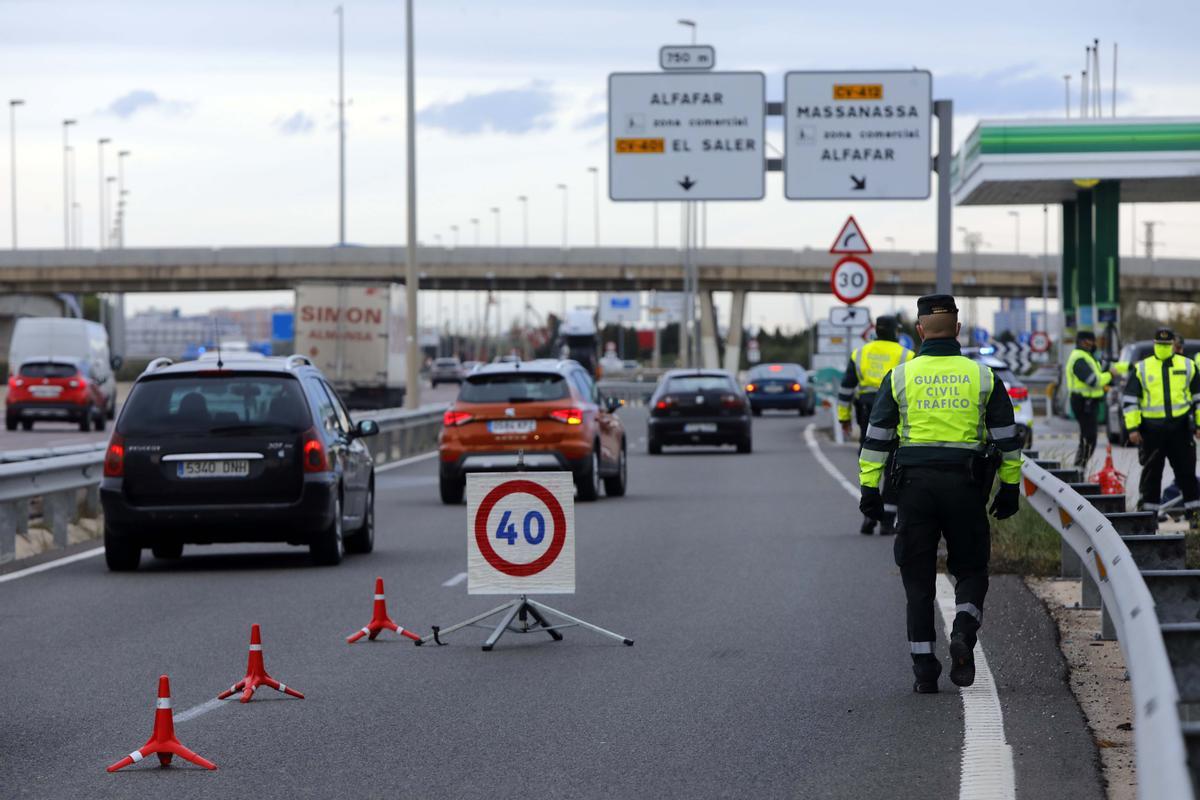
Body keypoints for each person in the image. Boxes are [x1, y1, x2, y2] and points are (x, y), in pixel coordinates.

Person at [858, 294, 1022, 694]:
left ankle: (924, 671)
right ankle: (963, 628)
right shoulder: (982, 376)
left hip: (914, 489)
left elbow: (877, 438)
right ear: (959, 331)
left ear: (919, 331)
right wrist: (1011, 485)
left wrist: (868, 488)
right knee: (970, 569)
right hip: (965, 487)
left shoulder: (900, 377)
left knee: (917, 581)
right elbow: (1007, 439)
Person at [837, 315, 914, 535]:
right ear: (895, 332)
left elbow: (845, 391)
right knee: (893, 468)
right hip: (897, 414)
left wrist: (844, 419)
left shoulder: (860, 354)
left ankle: (869, 515)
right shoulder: (906, 355)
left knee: (870, 464)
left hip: (867, 413)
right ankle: (887, 521)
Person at [1121, 327, 1200, 525]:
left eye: (1167, 345)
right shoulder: (1142, 368)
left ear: (1174, 344)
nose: (1164, 348)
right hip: (1152, 431)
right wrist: (1133, 429)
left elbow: (1198, 399)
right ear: (1156, 345)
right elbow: (1130, 400)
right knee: (1151, 476)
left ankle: (1195, 516)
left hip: (1180, 428)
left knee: (1186, 474)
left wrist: (1199, 425)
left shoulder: (1188, 366)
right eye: (1161, 345)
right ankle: (1148, 518)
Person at [1064, 330, 1113, 469]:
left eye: (1092, 341)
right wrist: (1110, 375)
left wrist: (1128, 366)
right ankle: (1078, 468)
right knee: (1089, 437)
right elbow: (1093, 380)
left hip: (1090, 403)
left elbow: (1108, 367)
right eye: (1088, 341)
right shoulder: (1079, 358)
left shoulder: (1089, 357)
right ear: (1080, 342)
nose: (1091, 344)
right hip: (1083, 402)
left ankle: (1079, 468)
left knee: (1088, 437)